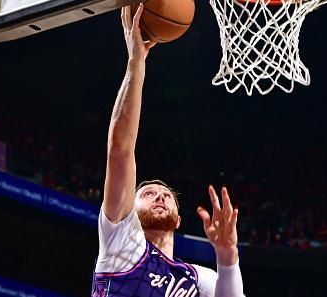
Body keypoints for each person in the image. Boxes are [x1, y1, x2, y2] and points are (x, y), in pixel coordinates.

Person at [91, 4, 245, 297]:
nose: (160, 195)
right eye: (147, 193)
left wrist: (227, 257)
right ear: (130, 212)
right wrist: (136, 61)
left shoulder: (197, 278)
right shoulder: (121, 240)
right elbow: (120, 150)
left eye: (166, 196)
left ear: (178, 219)